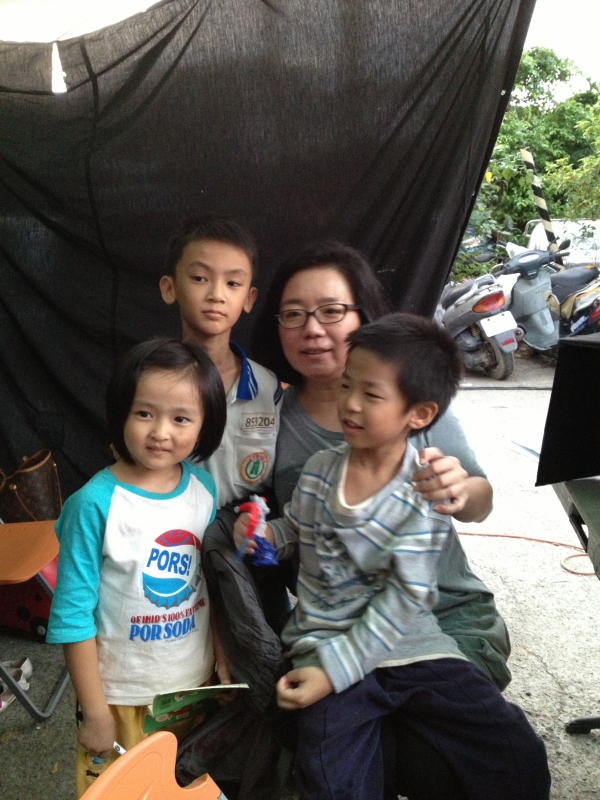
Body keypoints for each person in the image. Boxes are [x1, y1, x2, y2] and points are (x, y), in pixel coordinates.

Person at [237, 314, 550, 800]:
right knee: (332, 775)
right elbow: (295, 528)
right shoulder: (319, 470)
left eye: (371, 394)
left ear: (419, 415)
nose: (350, 403)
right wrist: (262, 536)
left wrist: (333, 673)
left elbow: (405, 598)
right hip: (325, 641)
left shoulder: (421, 491)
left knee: (513, 752)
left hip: (413, 647)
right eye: (347, 385)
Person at [47, 338, 227, 797]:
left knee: (187, 788)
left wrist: (222, 662)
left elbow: (212, 587)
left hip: (194, 690)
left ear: (205, 424)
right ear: (120, 412)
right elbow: (71, 617)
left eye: (181, 418)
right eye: (145, 413)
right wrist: (95, 712)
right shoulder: (94, 505)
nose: (161, 432)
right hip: (122, 700)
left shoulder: (203, 489)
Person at [159, 216, 282, 509]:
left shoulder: (268, 388)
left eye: (233, 283)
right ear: (170, 288)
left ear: (249, 298)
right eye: (200, 278)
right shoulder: (150, 382)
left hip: (243, 528)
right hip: (167, 528)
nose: (217, 295)